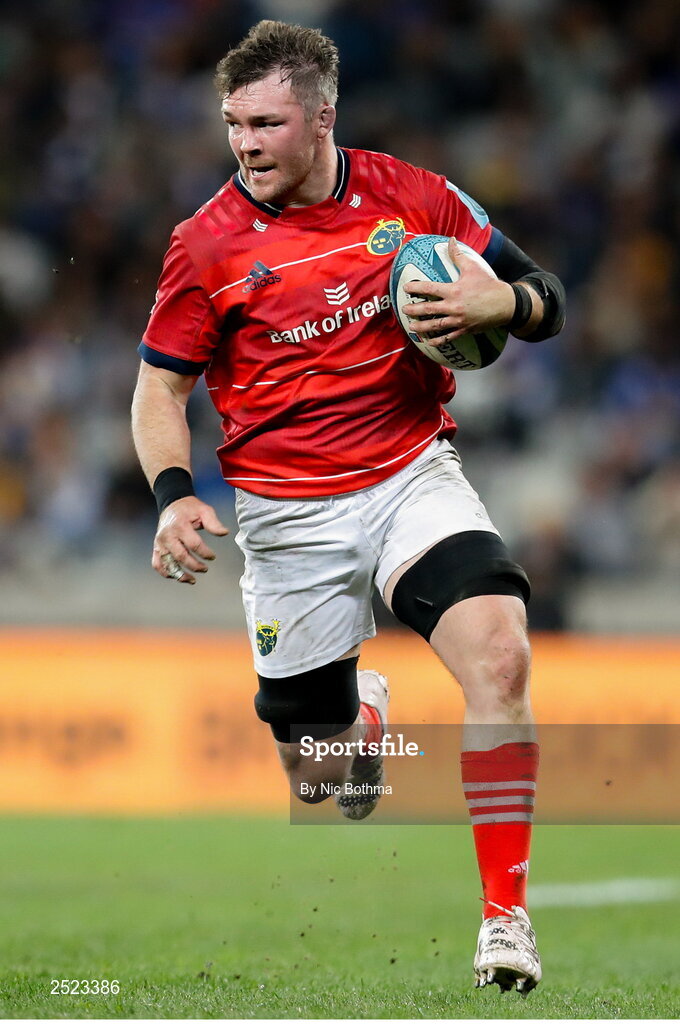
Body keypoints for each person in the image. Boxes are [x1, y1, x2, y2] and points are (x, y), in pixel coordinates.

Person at [131, 19, 565, 995]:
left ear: (322, 117)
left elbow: (542, 293)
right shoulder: (204, 245)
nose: (244, 144)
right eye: (233, 124)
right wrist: (170, 497)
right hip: (285, 517)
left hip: (410, 473)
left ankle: (505, 919)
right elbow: (159, 390)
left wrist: (504, 307)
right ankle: (357, 722)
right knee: (320, 784)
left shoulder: (410, 198)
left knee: (498, 655)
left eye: (266, 124)